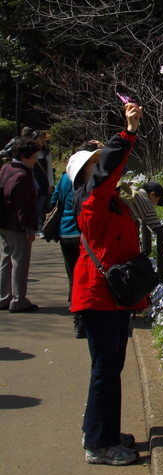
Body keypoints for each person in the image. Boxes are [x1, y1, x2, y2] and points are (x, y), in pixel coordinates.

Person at [69, 101, 147, 466]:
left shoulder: (112, 202)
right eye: (95, 163)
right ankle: (100, 445)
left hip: (112, 297)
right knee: (105, 368)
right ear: (86, 174)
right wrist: (127, 133)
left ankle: (97, 430)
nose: (104, 167)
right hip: (98, 296)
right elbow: (105, 175)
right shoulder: (91, 201)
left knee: (109, 366)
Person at [51, 140, 104, 339]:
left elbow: (53, 200)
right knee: (86, 278)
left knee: (73, 276)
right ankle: (84, 320)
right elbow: (118, 168)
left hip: (66, 232)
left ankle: (77, 315)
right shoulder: (93, 181)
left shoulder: (65, 178)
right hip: (84, 235)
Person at [0, 137, 41, 311]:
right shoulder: (23, 176)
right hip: (17, 225)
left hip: (3, 222)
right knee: (20, 261)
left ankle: (4, 297)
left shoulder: (5, 169)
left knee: (6, 260)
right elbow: (24, 205)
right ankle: (18, 300)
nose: (35, 160)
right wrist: (29, 229)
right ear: (25, 156)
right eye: (34, 157)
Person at [118, 179, 163, 251]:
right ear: (152, 194)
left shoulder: (132, 189)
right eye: (157, 200)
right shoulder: (146, 204)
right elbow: (159, 229)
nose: (155, 204)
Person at [32, 131, 54, 236]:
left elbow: (49, 168)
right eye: (40, 138)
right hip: (32, 182)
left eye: (43, 138)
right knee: (32, 205)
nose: (42, 140)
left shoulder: (46, 153)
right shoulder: (29, 152)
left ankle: (40, 227)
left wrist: (51, 184)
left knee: (41, 207)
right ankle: (32, 227)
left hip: (43, 182)